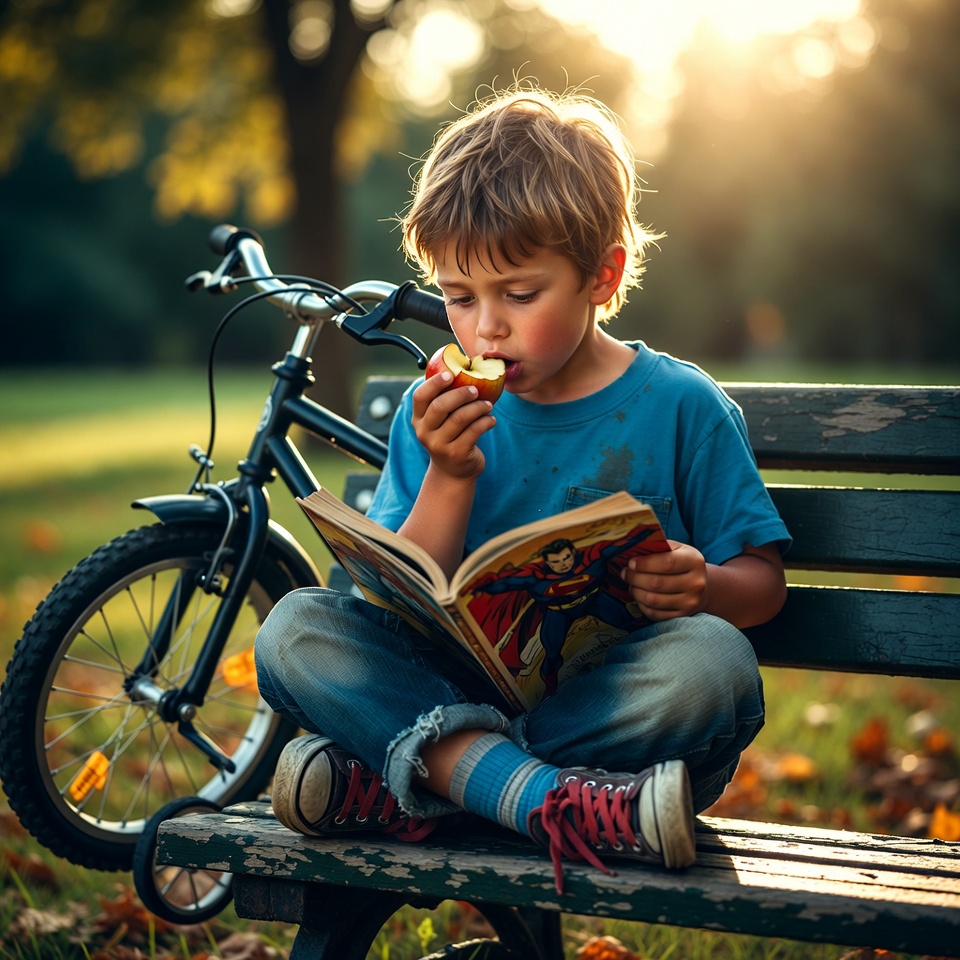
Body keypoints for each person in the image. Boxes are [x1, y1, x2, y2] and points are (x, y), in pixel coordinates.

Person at [254, 84, 790, 892]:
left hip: (612, 716)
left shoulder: (682, 406)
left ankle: (427, 781)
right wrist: (450, 472)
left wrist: (704, 584)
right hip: (480, 705)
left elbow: (762, 588)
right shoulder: (435, 411)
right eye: (458, 297)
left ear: (601, 277)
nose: (484, 329)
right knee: (295, 628)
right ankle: (544, 799)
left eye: (519, 294)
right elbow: (404, 596)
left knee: (712, 663)